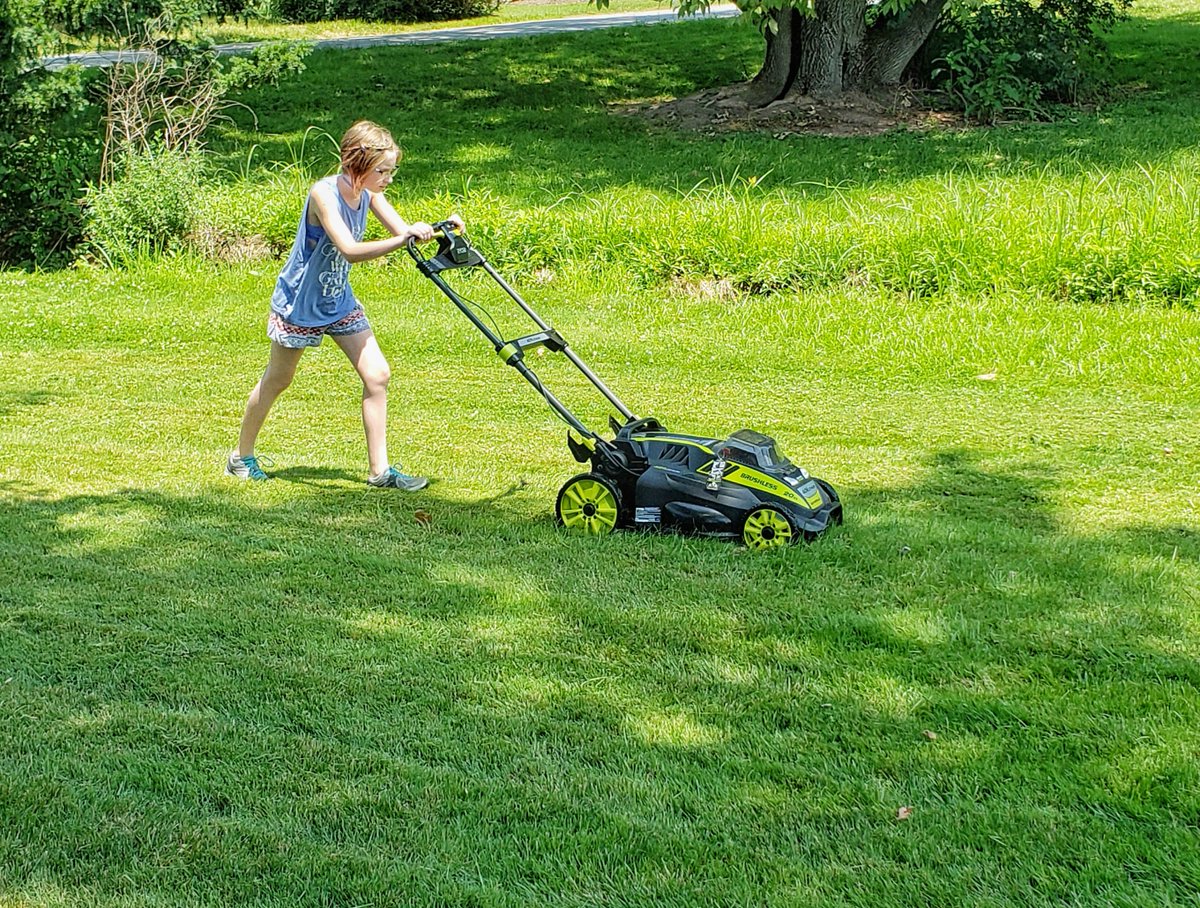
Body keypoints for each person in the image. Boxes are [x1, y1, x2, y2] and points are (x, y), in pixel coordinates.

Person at [226, 120, 461, 490]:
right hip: (301, 302)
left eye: (391, 171)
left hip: (337, 299)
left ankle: (379, 471)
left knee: (377, 374)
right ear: (357, 164)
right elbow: (350, 251)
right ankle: (241, 457)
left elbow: (404, 233)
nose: (387, 178)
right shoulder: (324, 194)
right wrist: (405, 239)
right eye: (382, 170)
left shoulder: (370, 193)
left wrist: (439, 227)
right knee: (278, 379)